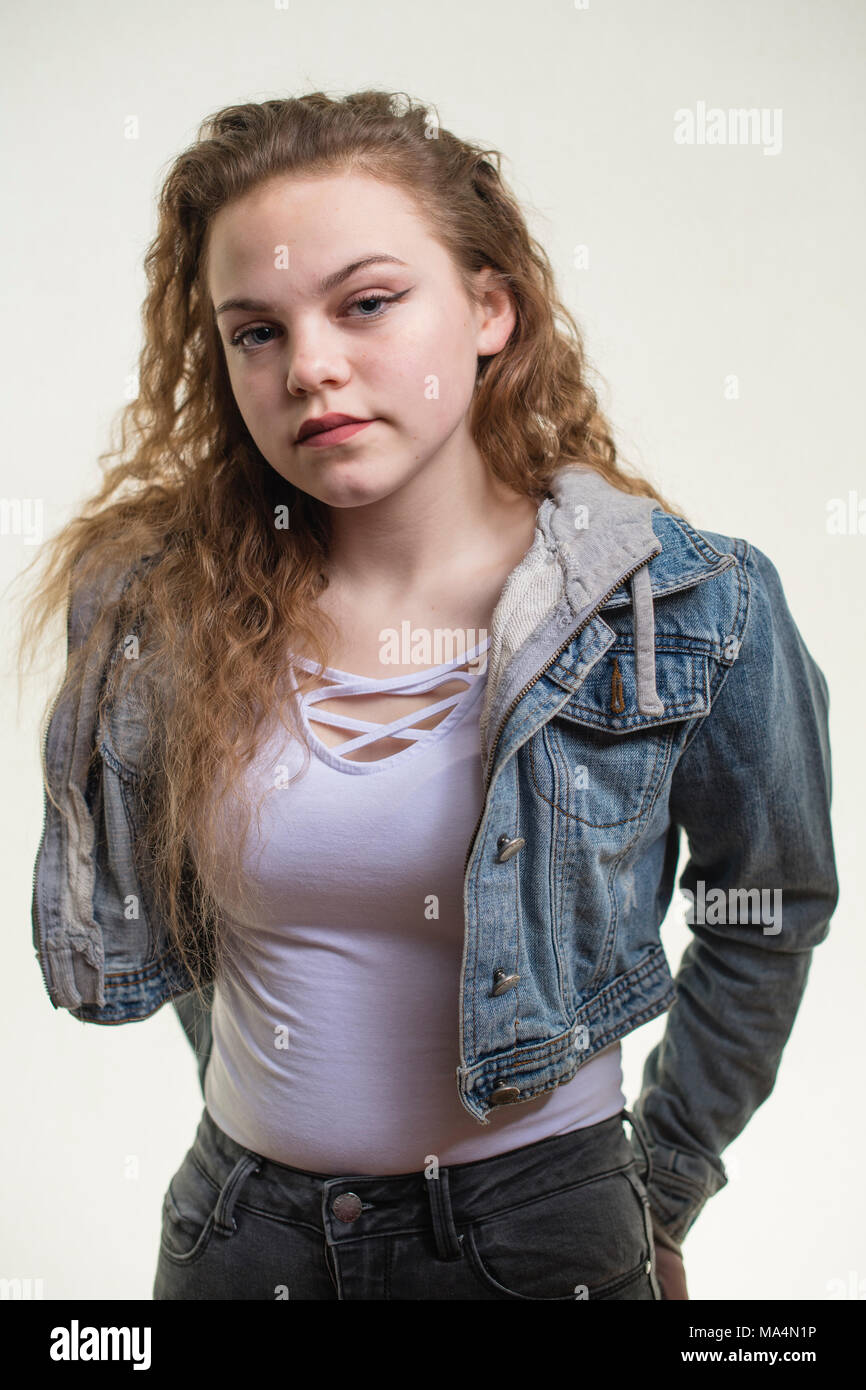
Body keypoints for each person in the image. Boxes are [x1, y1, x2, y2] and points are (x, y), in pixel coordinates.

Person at [20, 90, 838, 1301]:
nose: (310, 366)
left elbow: (765, 911)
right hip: (237, 1240)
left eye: (366, 302)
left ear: (490, 308)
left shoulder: (688, 607)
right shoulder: (158, 605)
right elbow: (188, 938)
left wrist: (653, 1188)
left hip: (536, 1245)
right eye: (254, 330)